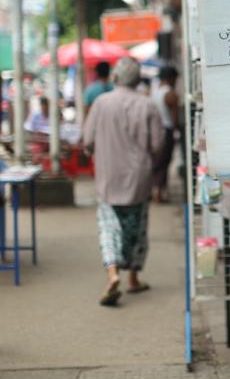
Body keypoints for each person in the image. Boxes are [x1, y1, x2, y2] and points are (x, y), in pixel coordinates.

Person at [83, 57, 163, 306]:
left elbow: (87, 141)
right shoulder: (147, 105)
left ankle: (113, 273)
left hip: (107, 177)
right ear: (138, 79)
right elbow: (157, 145)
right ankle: (134, 278)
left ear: (115, 78)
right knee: (136, 229)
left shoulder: (100, 102)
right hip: (138, 178)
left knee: (109, 228)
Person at [151, 66, 179, 204]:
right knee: (165, 161)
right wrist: (177, 129)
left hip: (155, 130)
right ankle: (159, 192)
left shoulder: (154, 93)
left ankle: (156, 191)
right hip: (167, 130)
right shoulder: (170, 94)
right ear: (171, 78)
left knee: (157, 161)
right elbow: (175, 118)